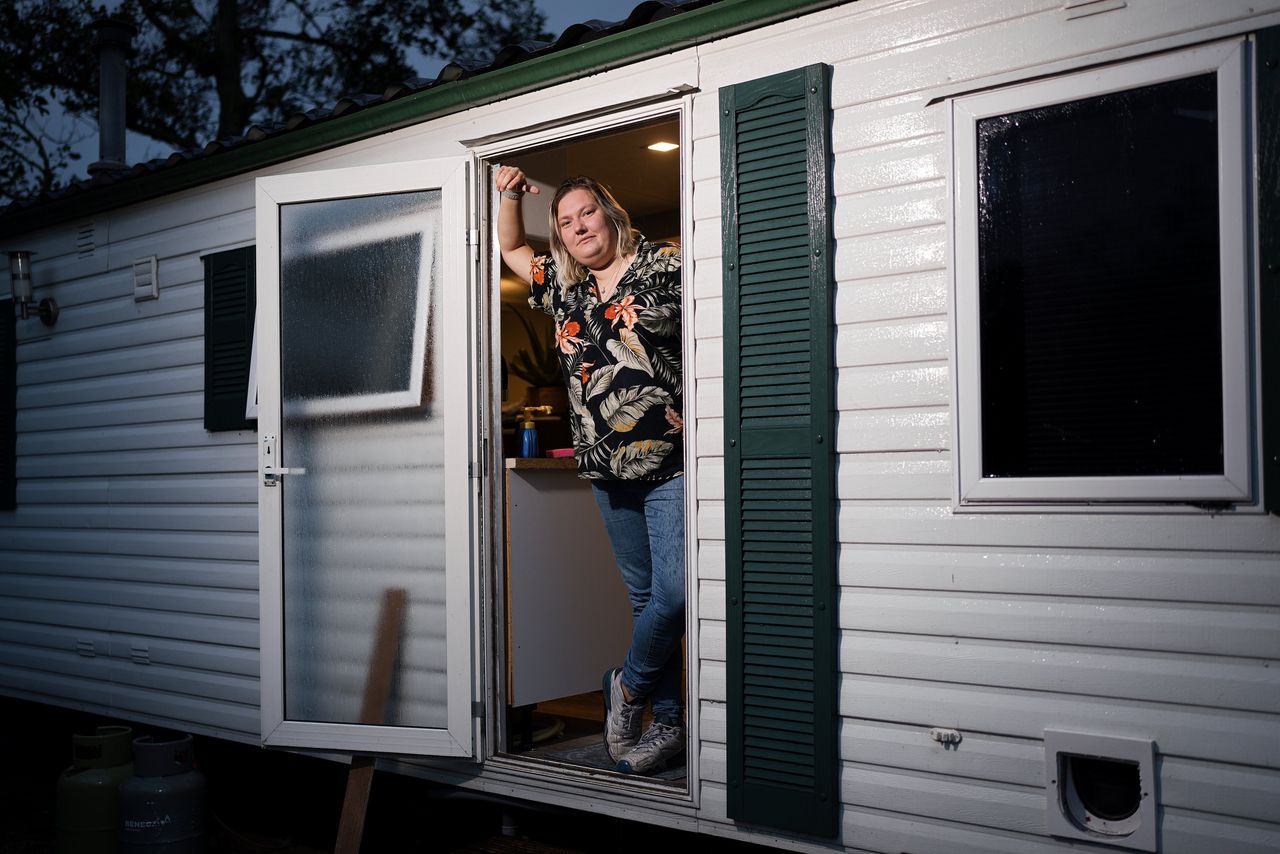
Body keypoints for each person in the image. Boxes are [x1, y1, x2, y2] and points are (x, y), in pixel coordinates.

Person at [495, 166, 685, 776]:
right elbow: (510, 248)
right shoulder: (566, 290)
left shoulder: (665, 266)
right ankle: (669, 725)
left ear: (611, 212)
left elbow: (717, 333)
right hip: (604, 466)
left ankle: (626, 688)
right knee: (643, 599)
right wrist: (507, 197)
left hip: (669, 462)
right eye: (567, 221)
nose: (579, 227)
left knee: (676, 594)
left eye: (587, 213)